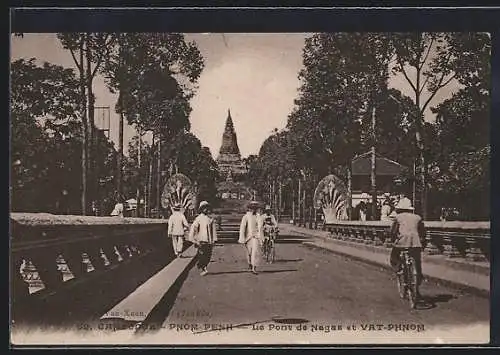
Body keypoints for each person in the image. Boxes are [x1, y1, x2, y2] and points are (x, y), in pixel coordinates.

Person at [389, 199, 425, 298]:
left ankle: (399, 269)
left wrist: (393, 240)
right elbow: (422, 232)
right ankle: (418, 279)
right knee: (417, 262)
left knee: (394, 257)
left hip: (402, 242)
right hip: (416, 243)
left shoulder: (398, 217)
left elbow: (393, 232)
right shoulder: (417, 218)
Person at [189, 201, 218, 276]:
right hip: (201, 240)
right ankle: (203, 268)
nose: (206, 210)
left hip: (209, 240)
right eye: (204, 208)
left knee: (208, 255)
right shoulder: (198, 218)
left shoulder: (210, 219)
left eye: (207, 208)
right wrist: (193, 238)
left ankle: (203, 265)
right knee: (202, 254)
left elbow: (213, 230)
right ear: (201, 209)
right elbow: (193, 228)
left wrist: (214, 239)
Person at [239, 201, 263, 274]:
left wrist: (261, 236)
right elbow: (242, 228)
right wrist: (242, 238)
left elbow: (260, 227)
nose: (253, 210)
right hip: (248, 237)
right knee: (249, 252)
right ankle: (250, 263)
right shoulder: (246, 217)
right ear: (249, 209)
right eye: (252, 208)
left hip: (256, 237)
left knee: (255, 252)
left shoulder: (259, 216)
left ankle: (254, 267)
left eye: (255, 208)